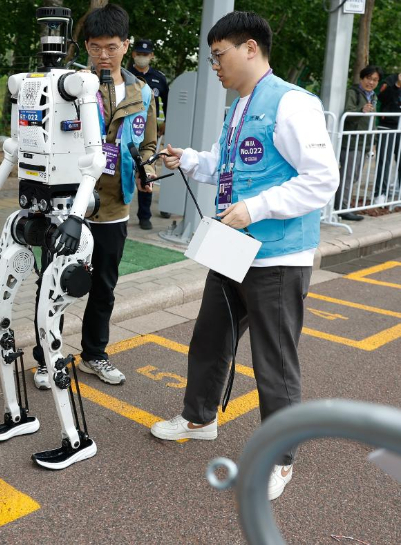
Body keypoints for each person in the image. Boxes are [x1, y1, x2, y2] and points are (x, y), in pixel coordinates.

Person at [152, 11, 338, 501]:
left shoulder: (292, 103)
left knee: (274, 361)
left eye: (220, 55)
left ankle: (281, 457)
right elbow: (226, 165)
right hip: (232, 248)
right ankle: (199, 418)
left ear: (250, 48)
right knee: (210, 338)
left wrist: (256, 208)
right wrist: (189, 160)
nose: (214, 66)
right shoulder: (239, 108)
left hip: (278, 256)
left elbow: (322, 179)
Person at [31, 4, 157, 388]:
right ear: (86, 46)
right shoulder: (69, 86)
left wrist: (146, 168)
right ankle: (46, 357)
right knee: (53, 284)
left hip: (114, 205)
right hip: (68, 205)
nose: (104, 55)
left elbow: (148, 142)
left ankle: (94, 354)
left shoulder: (142, 93)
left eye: (112, 47)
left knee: (104, 287)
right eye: (96, 47)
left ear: (126, 45)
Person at [128, 38, 169, 230]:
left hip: (148, 132)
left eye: (146, 54)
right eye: (139, 54)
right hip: (127, 130)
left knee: (147, 170)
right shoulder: (125, 75)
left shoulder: (158, 78)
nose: (142, 57)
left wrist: (166, 122)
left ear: (151, 56)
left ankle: (144, 216)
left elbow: (167, 103)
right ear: (133, 54)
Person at [335, 65, 382, 221]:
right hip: (352, 142)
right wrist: (361, 110)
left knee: (354, 176)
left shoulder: (373, 96)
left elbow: (372, 121)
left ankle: (341, 205)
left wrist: (373, 141)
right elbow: (347, 114)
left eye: (375, 80)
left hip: (364, 143)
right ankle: (342, 208)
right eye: (368, 78)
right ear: (362, 78)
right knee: (348, 176)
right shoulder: (353, 92)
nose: (371, 82)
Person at [374, 71, 401, 205]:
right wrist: (397, 85)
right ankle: (380, 193)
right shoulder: (390, 80)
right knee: (384, 160)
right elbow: (382, 97)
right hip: (387, 126)